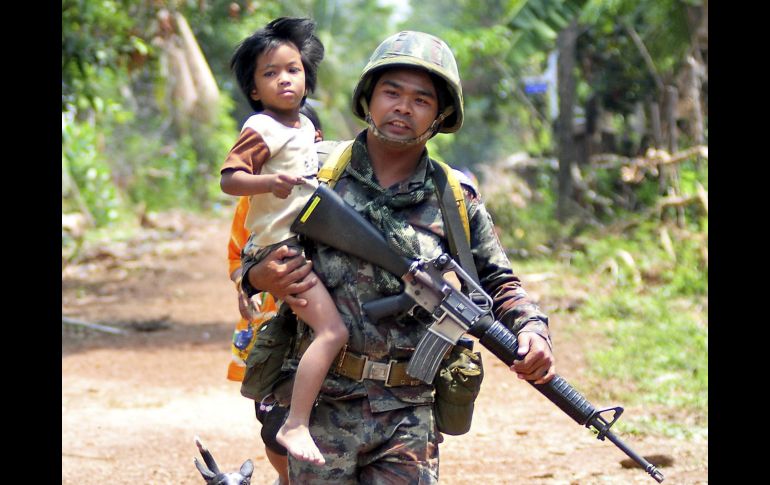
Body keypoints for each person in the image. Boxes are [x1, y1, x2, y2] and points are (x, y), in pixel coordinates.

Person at [241, 30, 556, 483]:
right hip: (321, 406)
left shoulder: (454, 198)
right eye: (392, 92)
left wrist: (532, 330)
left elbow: (498, 281)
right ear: (369, 97)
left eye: (421, 100)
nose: (403, 108)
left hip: (409, 413)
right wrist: (258, 277)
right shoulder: (316, 171)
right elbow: (257, 249)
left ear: (440, 115)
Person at [219, 17, 348, 466]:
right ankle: (294, 424)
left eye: (292, 70)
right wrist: (269, 181)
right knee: (330, 332)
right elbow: (231, 181)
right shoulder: (261, 129)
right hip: (281, 255)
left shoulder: (307, 132)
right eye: (270, 73)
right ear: (254, 89)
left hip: (305, 247)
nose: (284, 79)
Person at [226, 104, 324, 485]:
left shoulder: (325, 193)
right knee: (270, 418)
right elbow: (238, 255)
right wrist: (245, 282)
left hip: (313, 318)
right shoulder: (253, 201)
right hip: (269, 323)